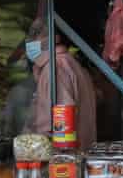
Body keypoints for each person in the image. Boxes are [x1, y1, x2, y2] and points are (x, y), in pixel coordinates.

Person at [23, 21, 99, 149]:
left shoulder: (55, 68)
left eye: (35, 33)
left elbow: (61, 125)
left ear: (52, 37)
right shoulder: (68, 63)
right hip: (76, 155)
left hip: (63, 161)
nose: (29, 40)